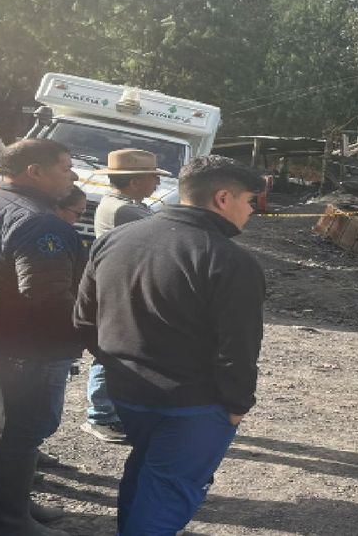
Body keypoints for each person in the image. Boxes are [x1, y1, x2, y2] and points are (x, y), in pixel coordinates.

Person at [73, 155, 266, 536]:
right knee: (169, 490)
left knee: (146, 469)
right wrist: (237, 405)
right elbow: (238, 347)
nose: (251, 211)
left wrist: (121, 366)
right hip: (194, 405)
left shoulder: (116, 239)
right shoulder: (228, 260)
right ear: (223, 198)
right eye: (249, 201)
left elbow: (84, 319)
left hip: (128, 393)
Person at [0, 139, 83, 536]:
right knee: (23, 432)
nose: (72, 176)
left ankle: (12, 502)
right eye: (65, 167)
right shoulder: (40, 222)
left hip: (1, 336)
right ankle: (8, 520)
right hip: (32, 348)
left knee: (10, 431)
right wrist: (88, 334)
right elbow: (47, 300)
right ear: (35, 171)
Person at [82, 148, 169, 444]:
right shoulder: (127, 210)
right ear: (135, 181)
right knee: (111, 352)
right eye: (153, 178)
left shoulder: (120, 204)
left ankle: (108, 411)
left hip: (119, 283)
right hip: (123, 286)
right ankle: (101, 415)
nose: (157, 184)